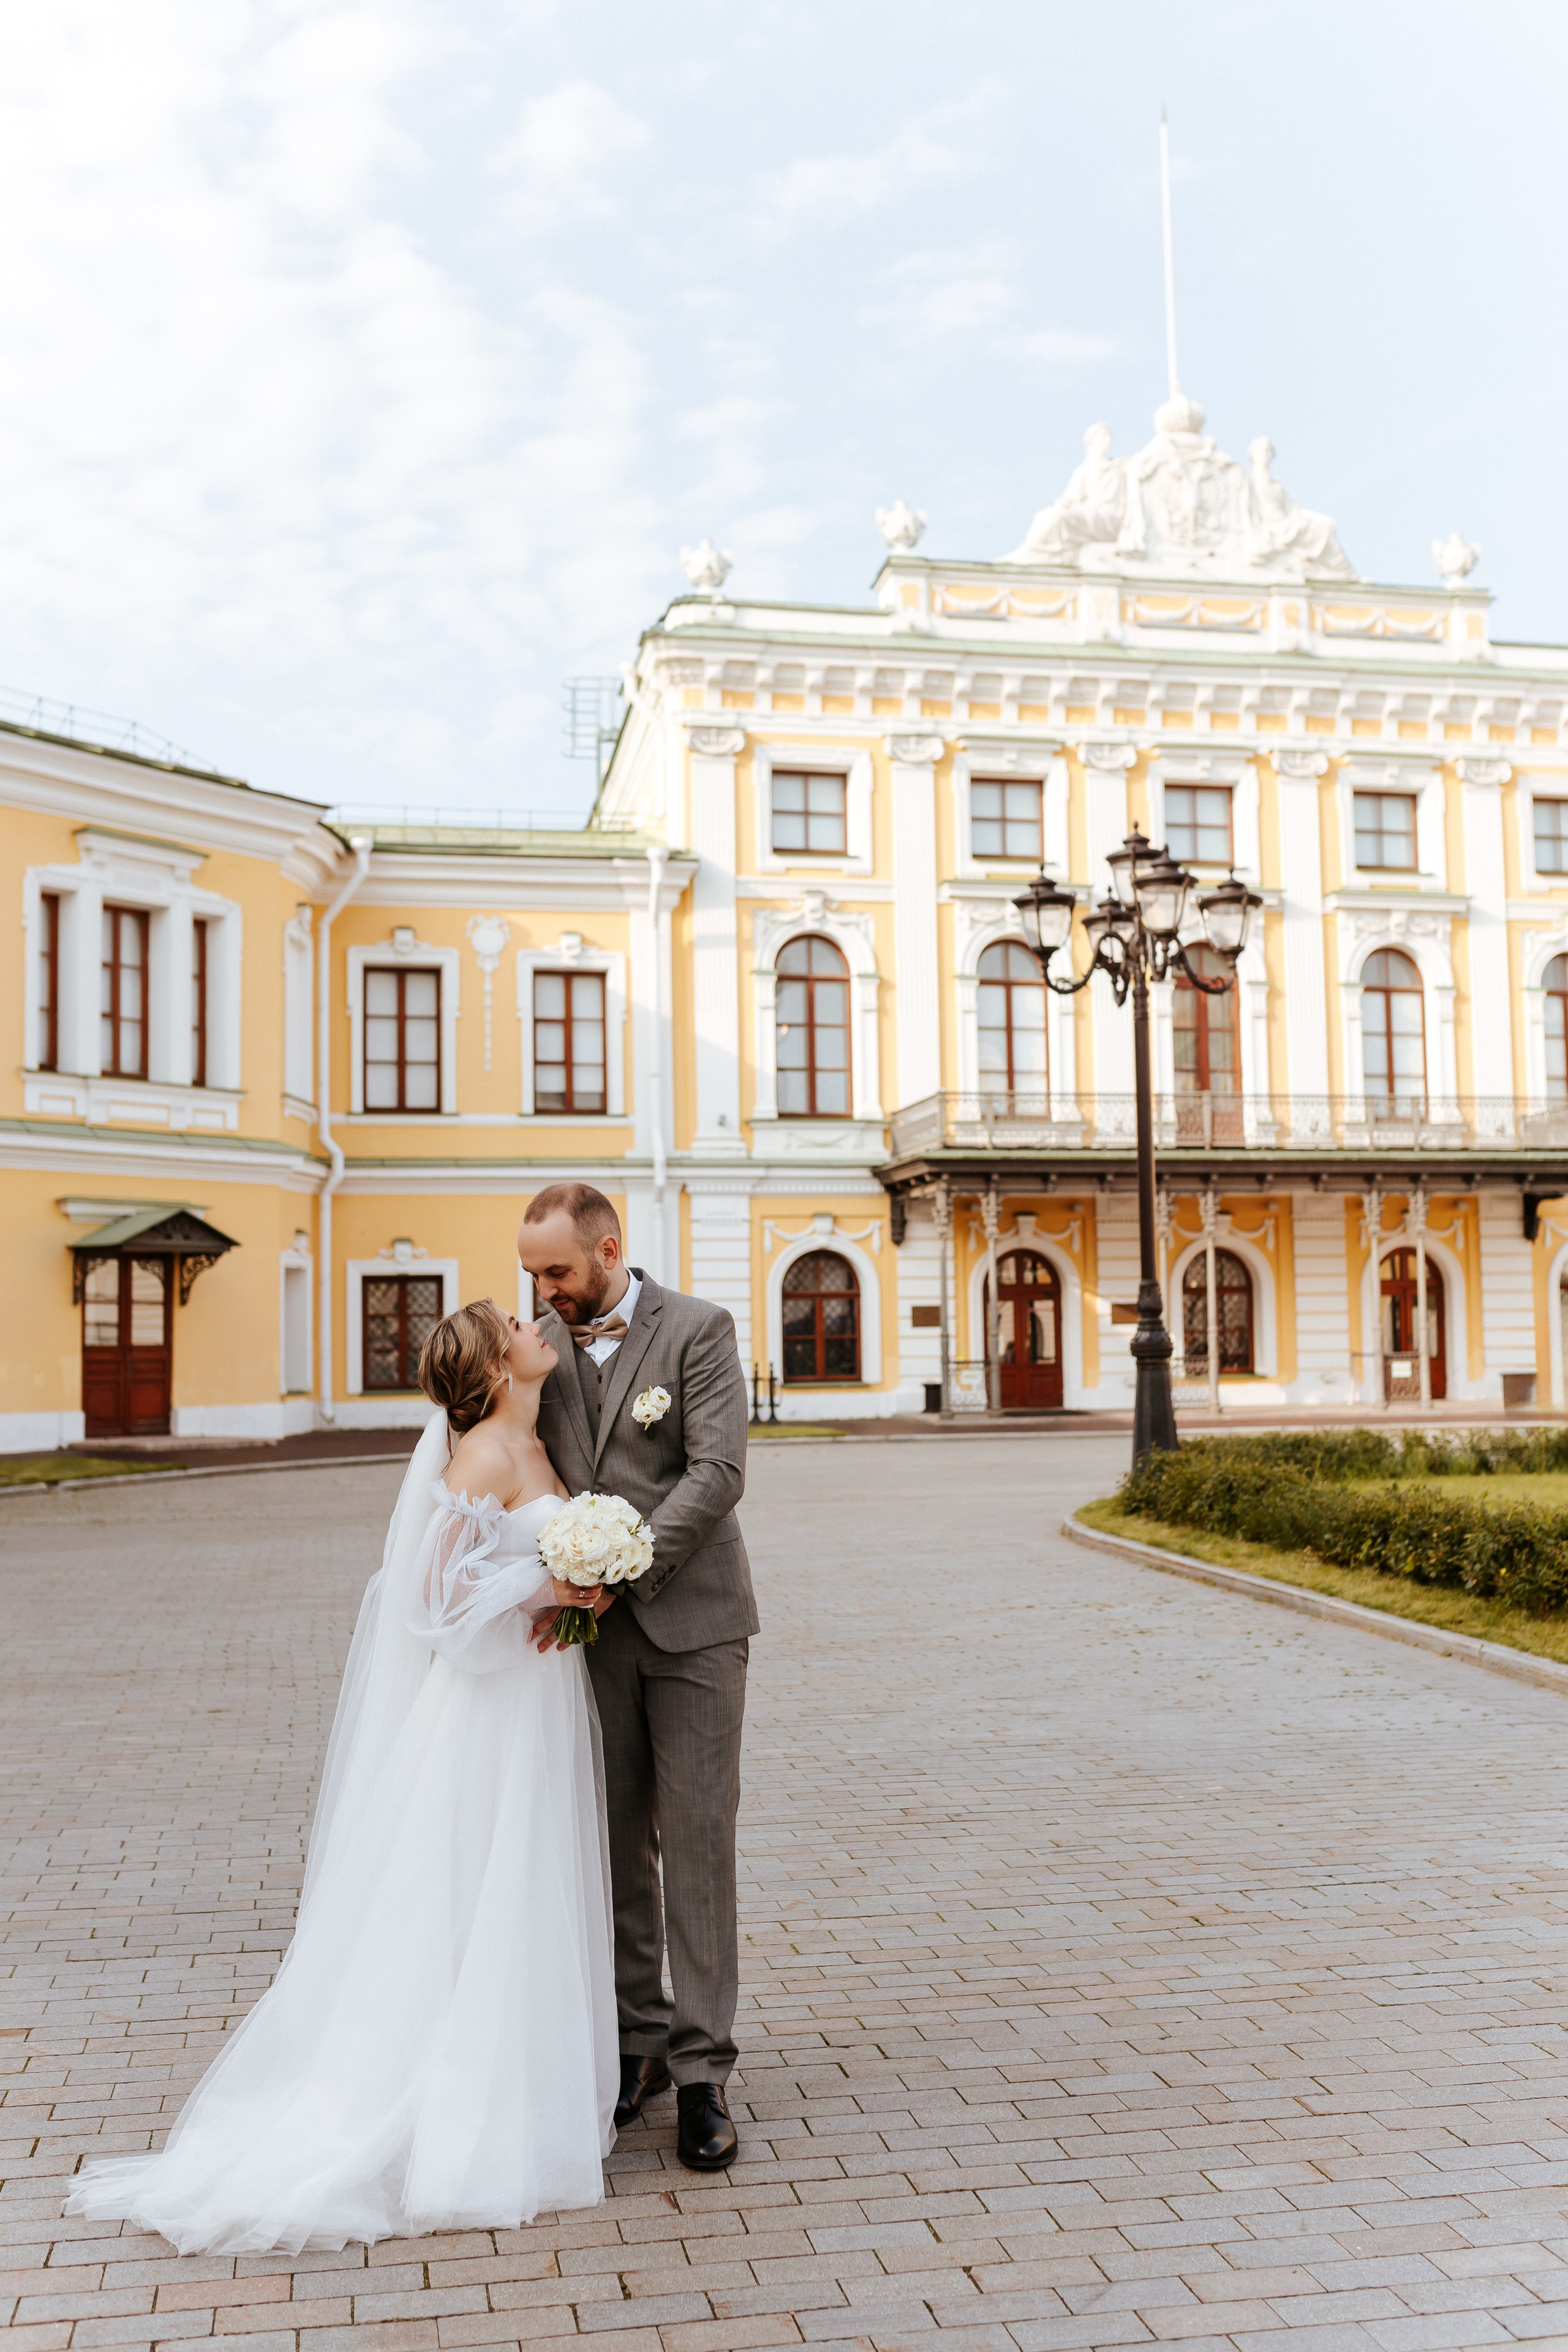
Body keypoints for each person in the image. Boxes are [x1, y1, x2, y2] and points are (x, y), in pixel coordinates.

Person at [66, 1301, 617, 2254]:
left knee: (522, 1886)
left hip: (536, 1695)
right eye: (512, 1325)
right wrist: (546, 1588)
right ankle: (448, 2116)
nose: (534, 1325)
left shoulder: (526, 1438)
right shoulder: (484, 1452)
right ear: (494, 1368)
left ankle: (516, 2091)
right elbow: (429, 1598)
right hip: (487, 1711)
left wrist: (586, 1582)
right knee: (473, 1888)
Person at [518, 1182, 756, 2172]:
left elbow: (717, 1471)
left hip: (695, 1626)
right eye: (533, 1273)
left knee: (697, 1847)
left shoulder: (700, 1328)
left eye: (559, 1271)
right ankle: (637, 2047)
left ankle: (703, 2073)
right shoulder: (538, 1345)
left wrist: (622, 1569)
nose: (544, 1291)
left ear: (610, 1250)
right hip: (594, 1637)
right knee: (615, 1847)